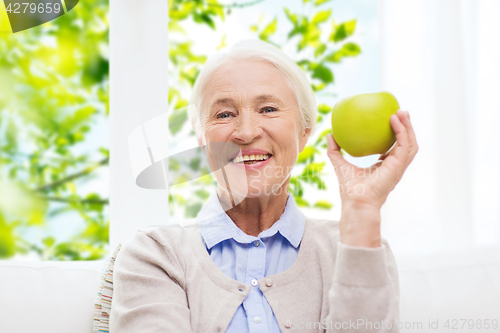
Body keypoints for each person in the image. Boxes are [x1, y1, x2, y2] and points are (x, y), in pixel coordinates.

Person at [109, 39, 418, 332]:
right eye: (225, 114)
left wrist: (362, 212)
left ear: (304, 131)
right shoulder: (155, 255)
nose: (245, 132)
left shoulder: (357, 248)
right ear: (202, 140)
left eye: (268, 109)